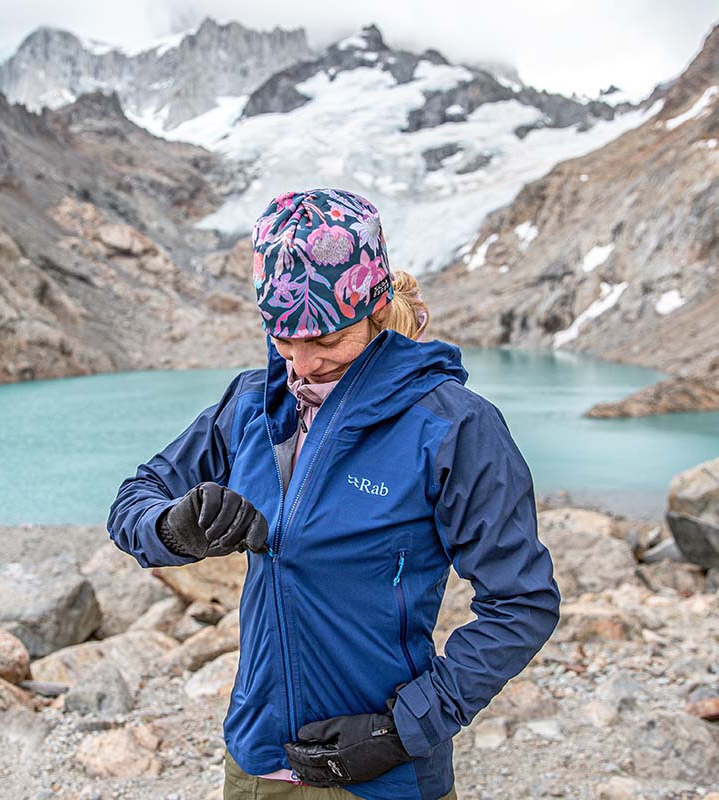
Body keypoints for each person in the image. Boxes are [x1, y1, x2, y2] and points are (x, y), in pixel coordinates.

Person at [108, 188, 560, 800]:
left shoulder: (451, 426)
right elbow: (135, 497)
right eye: (283, 336)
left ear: (374, 308)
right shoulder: (250, 405)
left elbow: (521, 602)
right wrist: (173, 528)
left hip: (384, 778)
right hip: (255, 763)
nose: (301, 362)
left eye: (324, 339)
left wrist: (403, 731)